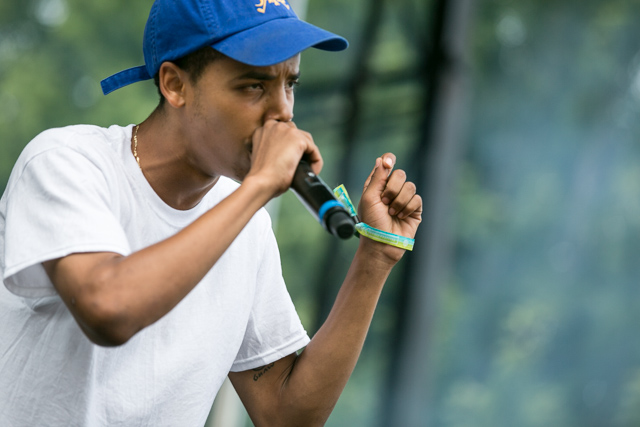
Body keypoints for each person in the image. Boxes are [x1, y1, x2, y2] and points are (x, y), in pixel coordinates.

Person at [0, 0, 422, 425]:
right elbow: (108, 309)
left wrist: (375, 257)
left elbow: (285, 414)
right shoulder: (65, 162)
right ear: (175, 85)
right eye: (253, 86)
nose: (284, 112)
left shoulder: (245, 221)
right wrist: (258, 187)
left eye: (289, 84)